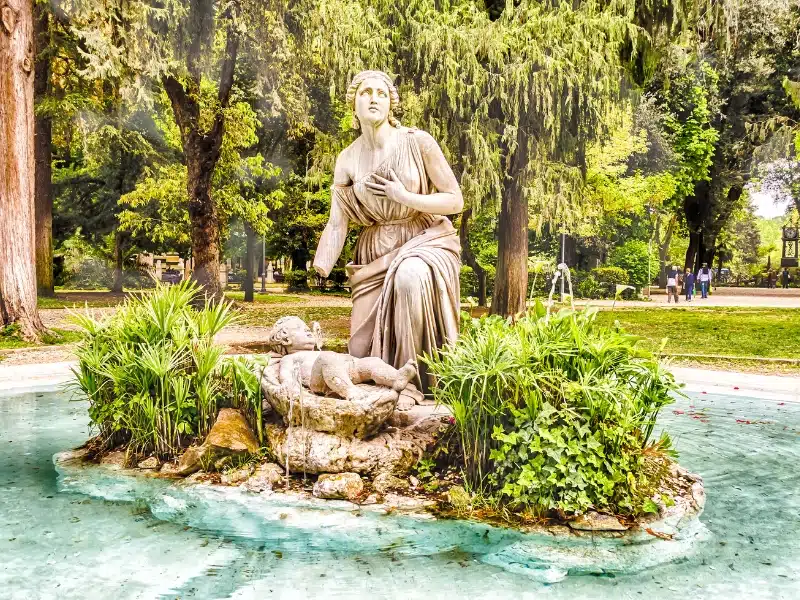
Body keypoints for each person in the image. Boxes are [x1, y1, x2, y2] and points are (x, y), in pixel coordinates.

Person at [313, 70, 463, 392]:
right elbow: (337, 222)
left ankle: (412, 386)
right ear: (354, 105)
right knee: (357, 348)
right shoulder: (347, 158)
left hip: (424, 238)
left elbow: (455, 200)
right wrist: (320, 265)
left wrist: (404, 197)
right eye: (365, 92)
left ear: (390, 105)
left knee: (409, 278)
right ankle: (375, 389)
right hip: (375, 249)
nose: (373, 98)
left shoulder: (417, 142)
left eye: (381, 93)